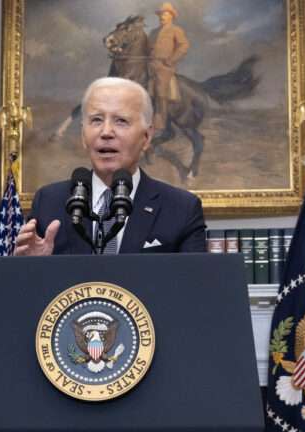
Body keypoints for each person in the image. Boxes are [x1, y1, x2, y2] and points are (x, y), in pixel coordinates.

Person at [14, 77, 205, 256]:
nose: (106, 132)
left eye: (121, 121)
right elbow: (29, 286)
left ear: (146, 138)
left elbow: (192, 286)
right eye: (96, 120)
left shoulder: (181, 209)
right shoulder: (49, 202)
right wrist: (34, 265)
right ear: (83, 136)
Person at [149, 2, 189, 137]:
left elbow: (184, 46)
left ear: (171, 16)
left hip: (164, 67)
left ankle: (160, 125)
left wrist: (171, 60)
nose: (162, 16)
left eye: (165, 14)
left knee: (161, 90)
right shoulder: (153, 32)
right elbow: (147, 48)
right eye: (160, 14)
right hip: (150, 65)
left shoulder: (176, 30)